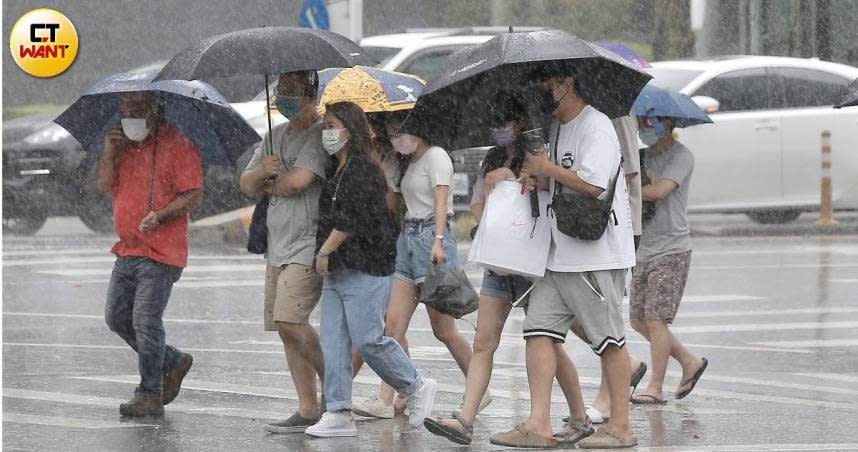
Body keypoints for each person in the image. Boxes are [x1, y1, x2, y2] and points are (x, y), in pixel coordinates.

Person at [424, 91, 589, 446]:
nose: (499, 130)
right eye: (495, 124)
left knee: (548, 343)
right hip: (500, 262)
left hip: (531, 264)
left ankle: (579, 415)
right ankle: (465, 420)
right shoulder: (492, 158)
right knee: (483, 342)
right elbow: (479, 208)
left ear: (520, 123)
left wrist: (515, 180)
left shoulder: (539, 153)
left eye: (506, 123)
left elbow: (547, 195)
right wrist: (493, 201)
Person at [490, 66, 637, 449]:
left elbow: (593, 183)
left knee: (608, 339)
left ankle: (621, 426)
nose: (540, 94)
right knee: (538, 330)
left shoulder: (596, 125)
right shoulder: (554, 128)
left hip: (595, 254)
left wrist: (547, 169)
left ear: (567, 83)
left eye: (545, 86)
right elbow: (562, 178)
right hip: (559, 253)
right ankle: (538, 423)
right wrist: (539, 179)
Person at [304, 101, 438, 437]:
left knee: (368, 340)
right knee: (333, 343)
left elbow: (352, 218)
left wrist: (324, 251)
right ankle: (338, 411)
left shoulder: (363, 169)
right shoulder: (339, 170)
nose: (327, 133)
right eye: (325, 127)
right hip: (339, 270)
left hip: (366, 266)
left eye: (332, 126)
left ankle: (415, 385)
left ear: (351, 130)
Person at [350, 115, 476, 419]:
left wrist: (439, 241)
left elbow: (442, 202)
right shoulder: (408, 163)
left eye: (401, 129)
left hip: (430, 240)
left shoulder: (436, 156)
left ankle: (477, 389)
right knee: (392, 328)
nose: (396, 135)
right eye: (392, 130)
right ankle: (392, 396)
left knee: (443, 330)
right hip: (406, 241)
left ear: (419, 128)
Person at [98, 92, 202, 417]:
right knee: (117, 317)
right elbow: (103, 185)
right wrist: (109, 153)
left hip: (160, 252)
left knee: (145, 320)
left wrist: (161, 215)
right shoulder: (120, 146)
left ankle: (149, 392)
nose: (130, 115)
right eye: (124, 109)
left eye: (138, 109)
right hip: (127, 248)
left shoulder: (177, 143)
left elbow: (194, 193)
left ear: (155, 109)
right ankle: (171, 360)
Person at [239, 70, 328, 434]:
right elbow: (246, 184)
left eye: (290, 91)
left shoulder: (319, 134)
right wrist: (263, 170)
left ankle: (336, 389)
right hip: (277, 243)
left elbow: (298, 182)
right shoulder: (274, 136)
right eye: (280, 91)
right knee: (283, 327)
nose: (282, 97)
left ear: (309, 94)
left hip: (306, 242)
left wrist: (270, 185)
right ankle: (308, 407)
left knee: (292, 320)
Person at [567, 111, 648, 425]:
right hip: (584, 227)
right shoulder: (581, 116)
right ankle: (626, 365)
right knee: (576, 312)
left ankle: (610, 399)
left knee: (606, 314)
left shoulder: (616, 117)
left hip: (616, 227)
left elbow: (627, 173)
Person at [629, 115, 708, 405]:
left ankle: (655, 387)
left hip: (671, 249)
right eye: (642, 121)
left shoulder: (681, 155)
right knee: (639, 321)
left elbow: (660, 190)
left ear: (668, 123)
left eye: (651, 121)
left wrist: (630, 191)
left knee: (656, 319)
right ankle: (689, 361)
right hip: (643, 249)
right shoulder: (638, 156)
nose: (645, 127)